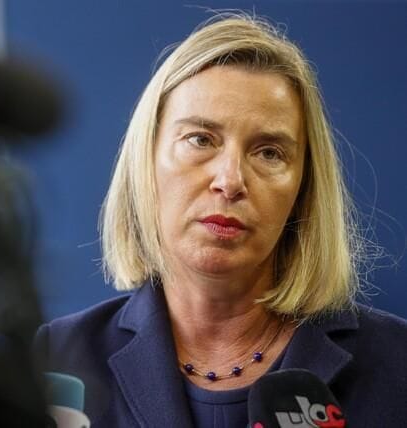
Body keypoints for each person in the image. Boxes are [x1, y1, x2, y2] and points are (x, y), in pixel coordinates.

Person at [35, 14, 407, 427]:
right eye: (200, 139)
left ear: (304, 188)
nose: (230, 181)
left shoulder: (398, 363)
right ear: (145, 162)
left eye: (269, 152)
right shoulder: (57, 359)